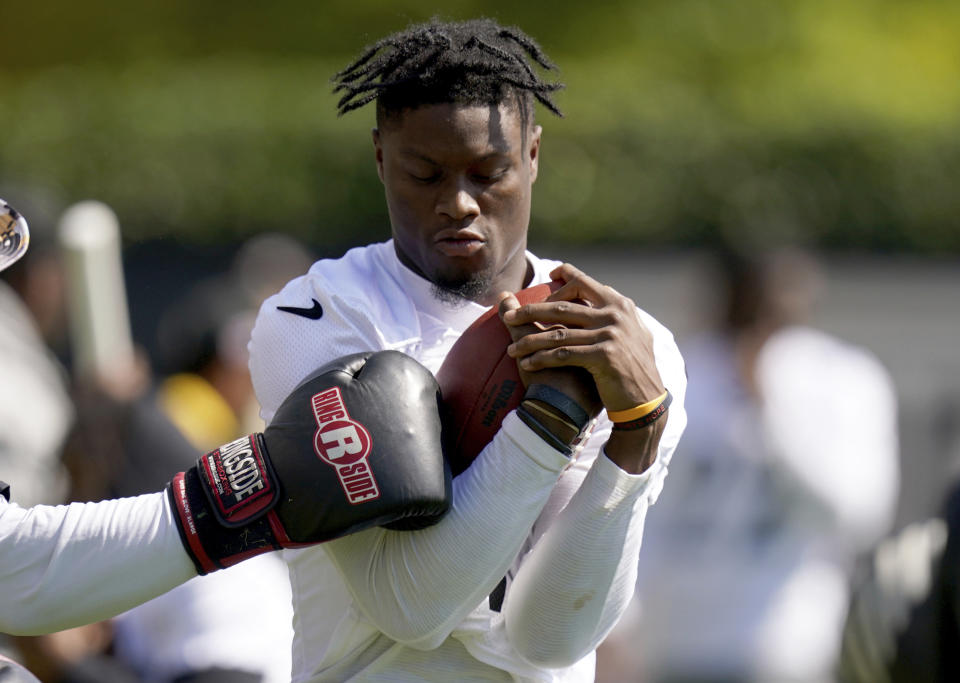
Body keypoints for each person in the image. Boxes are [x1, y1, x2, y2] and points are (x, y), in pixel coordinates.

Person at [247, 18, 688, 682]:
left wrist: (638, 435)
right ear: (379, 157)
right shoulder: (318, 319)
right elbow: (413, 606)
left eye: (489, 172)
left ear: (533, 154)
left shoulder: (631, 345)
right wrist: (548, 420)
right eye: (424, 173)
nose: (458, 202)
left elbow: (552, 636)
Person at [597, 248, 899, 682]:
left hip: (784, 645)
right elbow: (637, 512)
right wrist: (618, 620)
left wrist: (771, 416)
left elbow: (858, 516)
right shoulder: (674, 372)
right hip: (675, 645)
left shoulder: (841, 376)